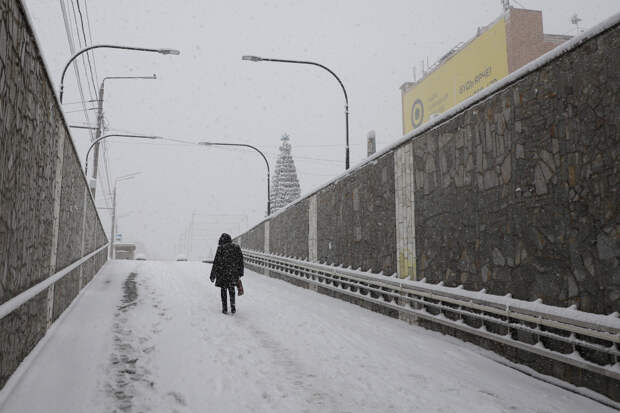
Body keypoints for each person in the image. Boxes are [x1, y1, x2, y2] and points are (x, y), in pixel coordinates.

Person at [210, 233, 244, 314]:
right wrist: (240, 272)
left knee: (223, 290)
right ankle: (233, 306)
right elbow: (240, 260)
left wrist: (213, 275)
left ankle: (224, 308)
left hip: (223, 273)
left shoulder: (221, 248)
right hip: (233, 273)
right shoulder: (236, 247)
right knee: (232, 289)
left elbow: (216, 262)